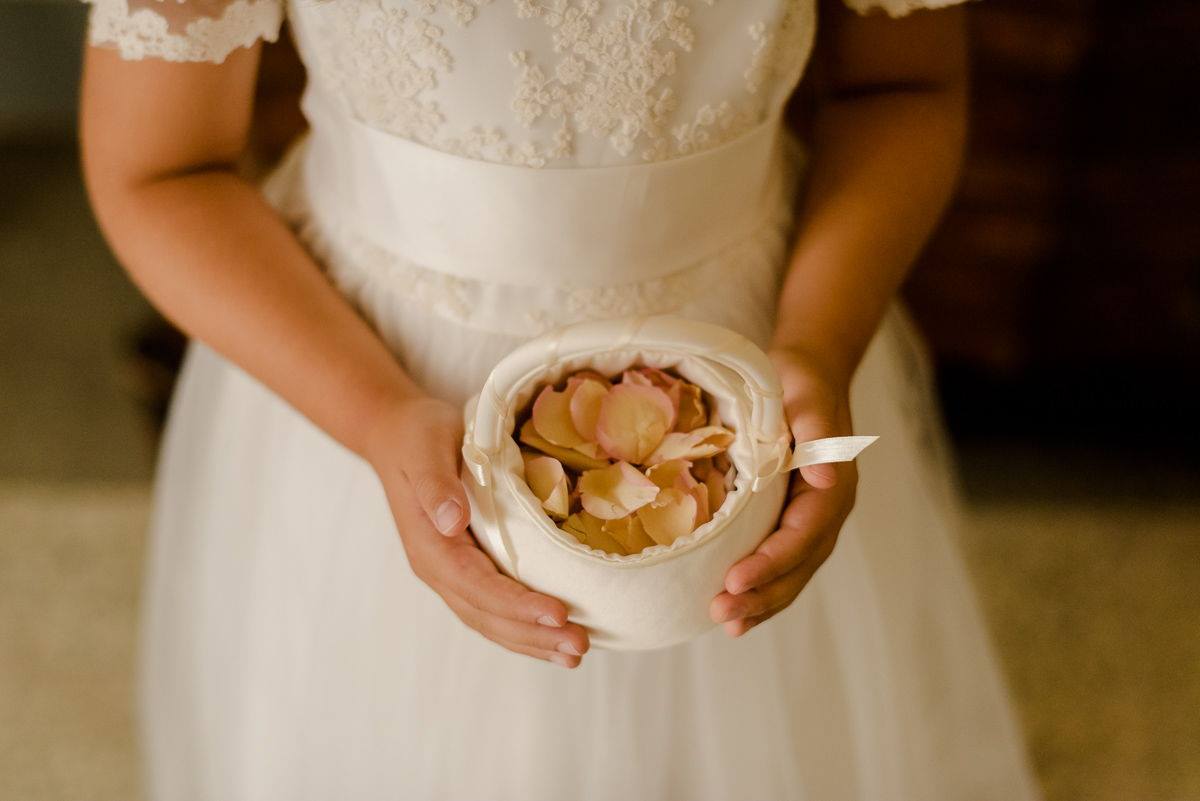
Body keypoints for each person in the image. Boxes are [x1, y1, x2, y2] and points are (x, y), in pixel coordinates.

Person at [79, 0, 1042, 798]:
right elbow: (161, 168)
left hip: (752, 372)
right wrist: (377, 417)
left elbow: (900, 86)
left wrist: (821, 341)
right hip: (367, 370)